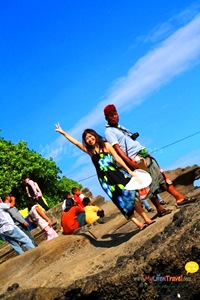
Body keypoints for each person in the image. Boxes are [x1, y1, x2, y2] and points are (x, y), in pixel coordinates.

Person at [55, 124, 155, 231]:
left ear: (95, 135)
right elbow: (75, 142)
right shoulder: (90, 151)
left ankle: (146, 219)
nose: (89, 139)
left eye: (90, 136)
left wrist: (129, 170)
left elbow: (117, 159)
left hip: (116, 175)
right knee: (120, 202)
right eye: (86, 138)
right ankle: (138, 224)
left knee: (131, 196)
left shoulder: (107, 145)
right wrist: (63, 132)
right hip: (106, 182)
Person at [103, 104, 197, 215]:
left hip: (142, 154)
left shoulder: (119, 127)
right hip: (135, 158)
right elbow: (117, 149)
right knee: (147, 183)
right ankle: (161, 208)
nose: (114, 117)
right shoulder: (109, 132)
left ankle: (178, 198)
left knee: (161, 176)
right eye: (111, 115)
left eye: (115, 114)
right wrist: (129, 162)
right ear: (107, 118)